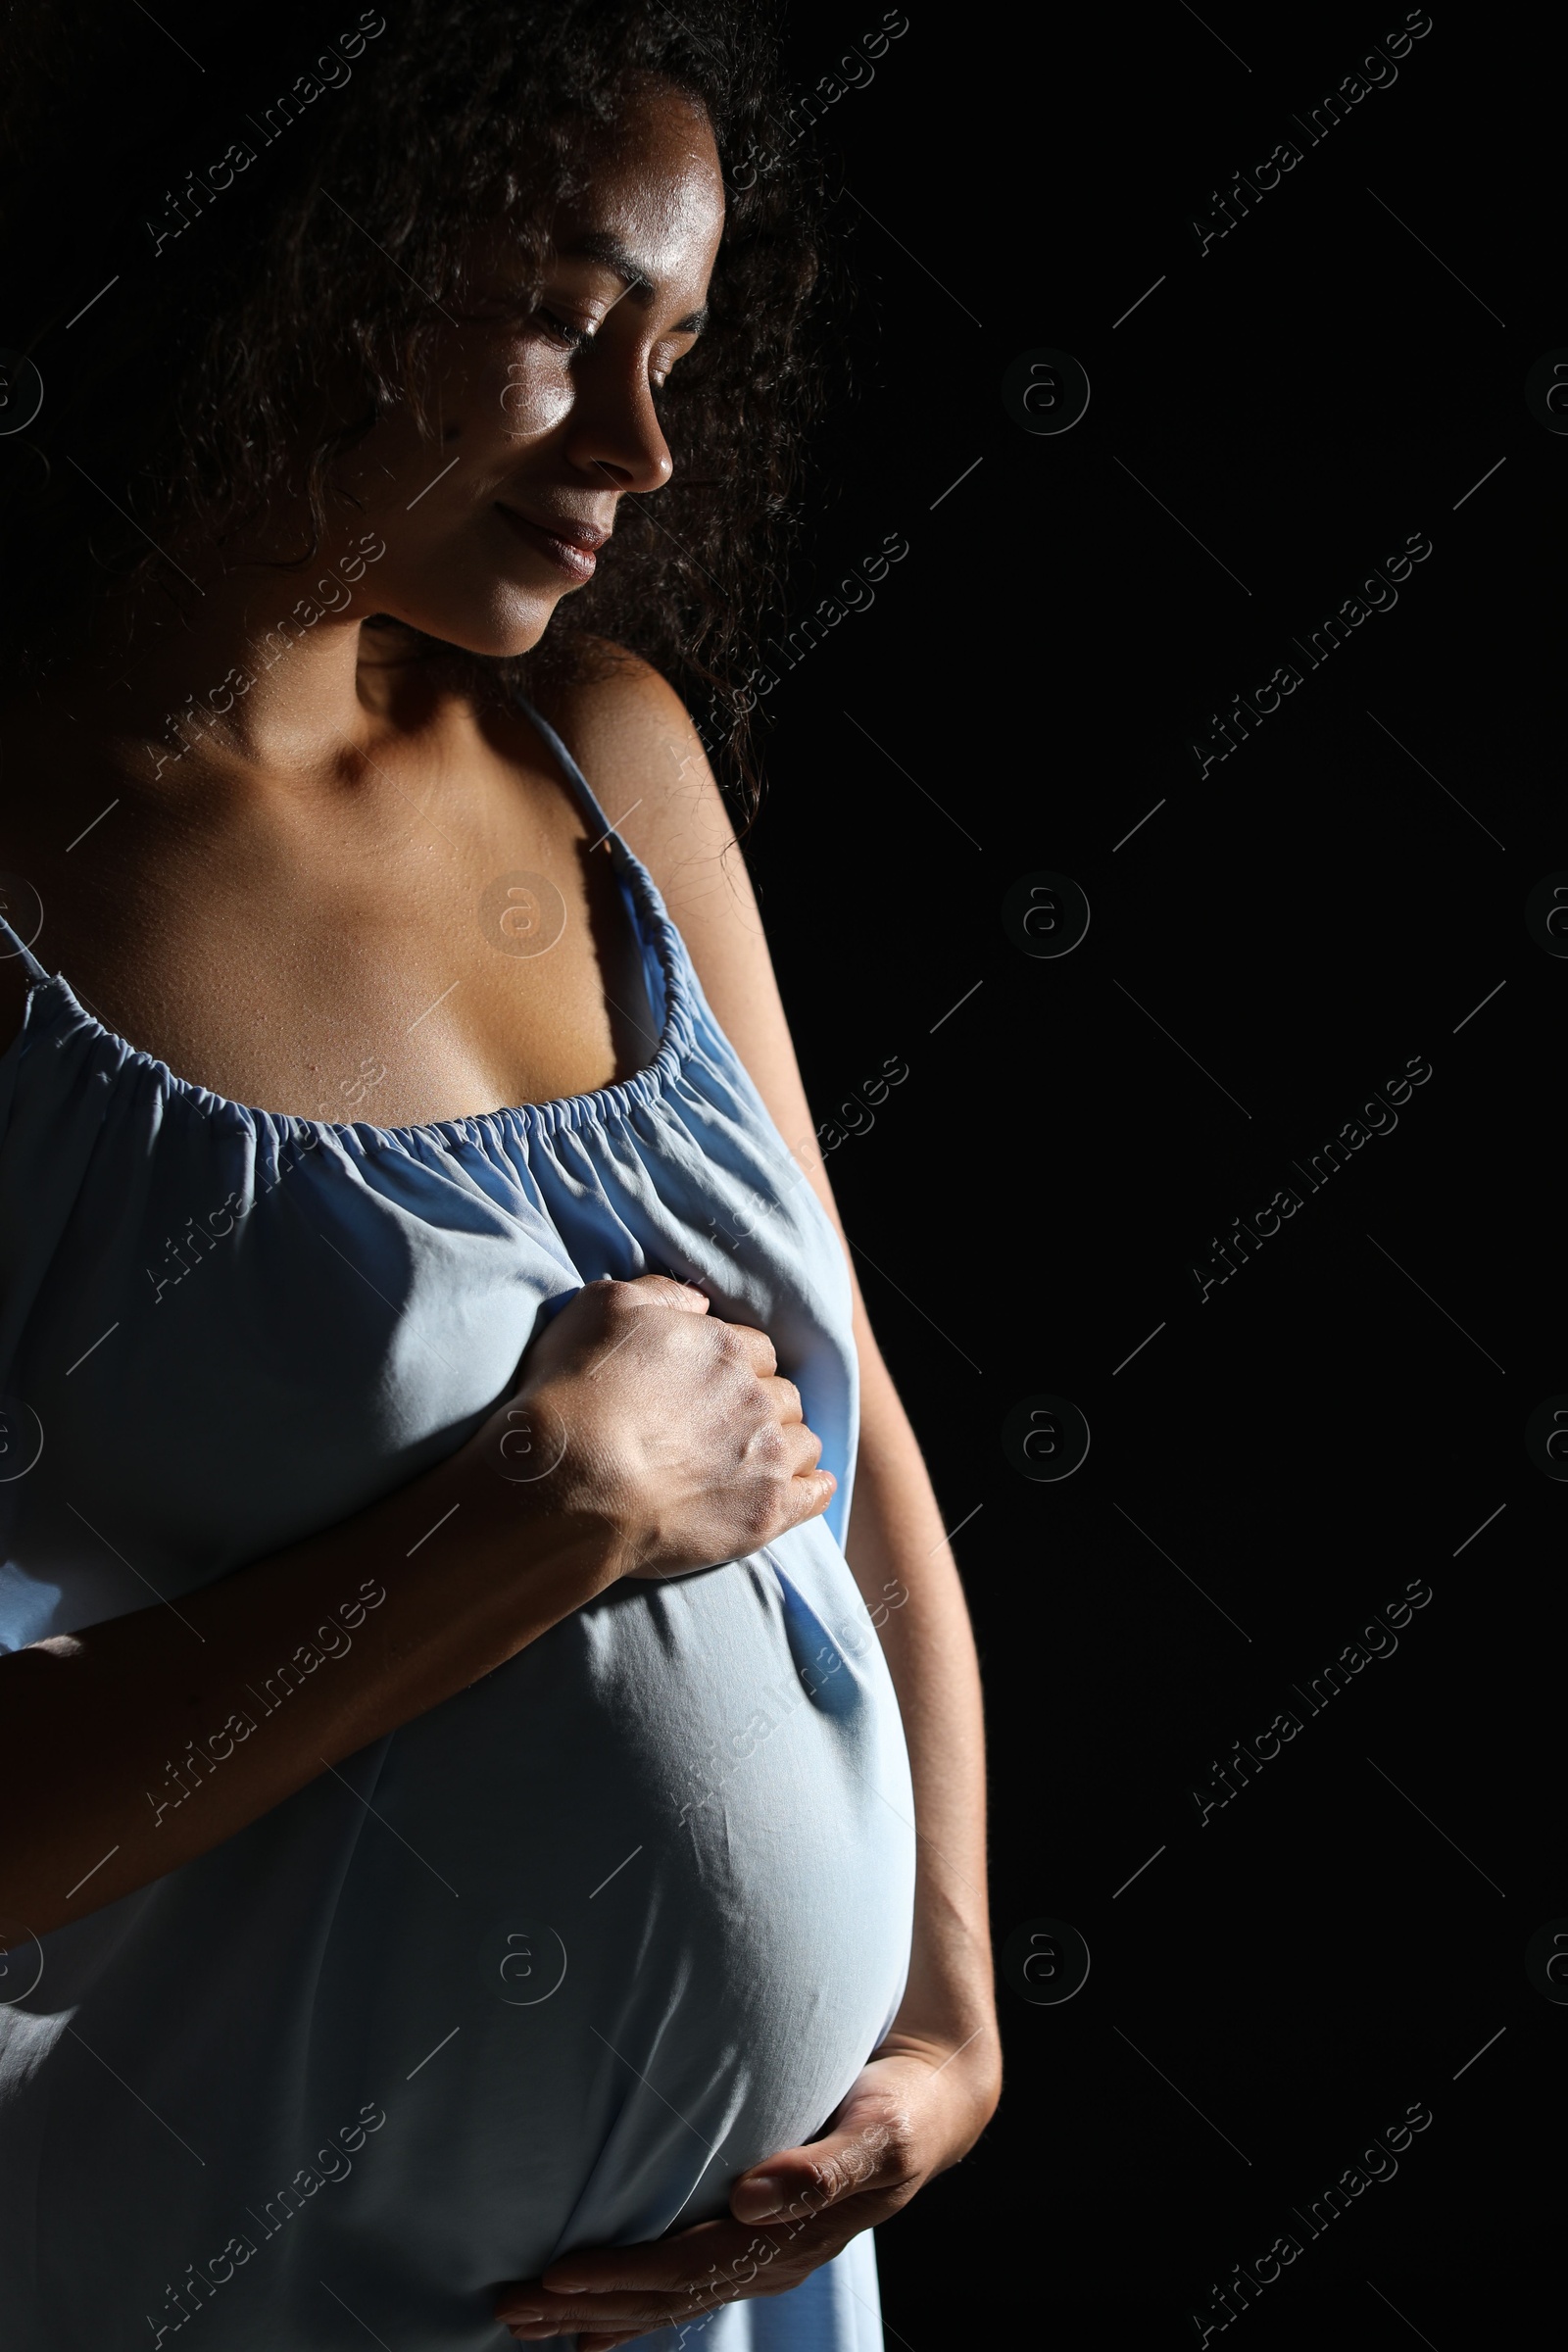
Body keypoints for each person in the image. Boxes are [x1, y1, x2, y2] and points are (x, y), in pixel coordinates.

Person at [0, 6, 999, 2346]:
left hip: (721, 2296)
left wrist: (943, 2014)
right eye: (566, 324)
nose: (646, 445)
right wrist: (532, 1521)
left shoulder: (603, 759)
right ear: (296, 259)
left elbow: (864, 1461)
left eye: (679, 350)